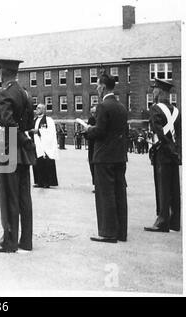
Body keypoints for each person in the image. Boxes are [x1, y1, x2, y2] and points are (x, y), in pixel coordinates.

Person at [0, 57, 34, 253]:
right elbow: (28, 123)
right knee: (24, 197)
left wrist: (19, 137)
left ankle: (9, 241)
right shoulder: (24, 93)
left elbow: (6, 122)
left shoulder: (6, 93)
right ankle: (26, 241)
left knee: (8, 196)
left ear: (3, 73)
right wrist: (24, 139)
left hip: (7, 149)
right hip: (23, 152)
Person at [84, 72, 128, 243]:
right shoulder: (122, 107)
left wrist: (89, 130)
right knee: (119, 194)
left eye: (97, 86)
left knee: (105, 195)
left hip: (103, 157)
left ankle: (108, 233)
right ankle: (121, 232)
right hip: (119, 156)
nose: (96, 89)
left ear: (102, 87)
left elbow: (100, 131)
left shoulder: (103, 106)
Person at [144, 78, 181, 232]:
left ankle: (162, 221)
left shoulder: (155, 109)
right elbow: (179, 134)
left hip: (162, 152)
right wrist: (176, 151)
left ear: (159, 91)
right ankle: (174, 222)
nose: (153, 92)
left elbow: (158, 131)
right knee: (174, 187)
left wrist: (164, 146)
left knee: (163, 186)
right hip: (174, 153)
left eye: (154, 89)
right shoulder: (177, 111)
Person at [30, 103, 59, 189]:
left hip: (45, 145)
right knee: (37, 163)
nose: (37, 110)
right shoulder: (34, 120)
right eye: (36, 108)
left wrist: (38, 131)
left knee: (46, 163)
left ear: (44, 110)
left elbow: (51, 132)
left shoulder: (48, 120)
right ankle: (39, 181)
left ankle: (47, 182)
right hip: (36, 144)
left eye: (39, 108)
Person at [85, 106, 97, 191]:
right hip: (91, 146)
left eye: (94, 112)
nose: (93, 114)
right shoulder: (90, 119)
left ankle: (98, 185)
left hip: (98, 146)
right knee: (92, 165)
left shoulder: (101, 120)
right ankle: (95, 184)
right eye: (92, 112)